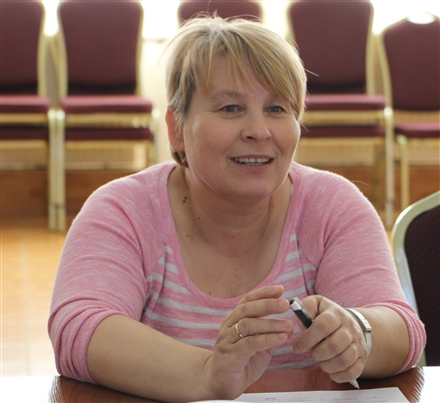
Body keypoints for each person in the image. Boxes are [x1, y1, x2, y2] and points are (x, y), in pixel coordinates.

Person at [49, 16, 426, 402]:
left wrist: (358, 333)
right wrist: (208, 374)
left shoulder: (332, 205)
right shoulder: (123, 210)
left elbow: (402, 331)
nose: (259, 131)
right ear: (176, 128)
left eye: (277, 109)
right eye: (230, 108)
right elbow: (79, 329)